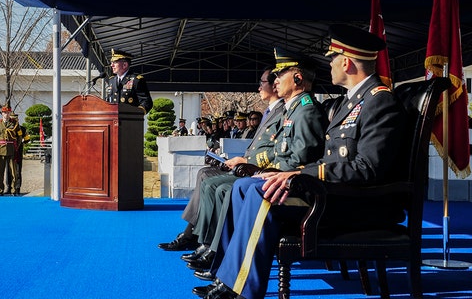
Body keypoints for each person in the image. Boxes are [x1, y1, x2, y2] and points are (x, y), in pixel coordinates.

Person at [202, 25, 408, 299]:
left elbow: (367, 168)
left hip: (358, 201)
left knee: (261, 196)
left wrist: (299, 175)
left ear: (346, 62)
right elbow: (330, 158)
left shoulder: (379, 102)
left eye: (332, 58)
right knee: (245, 187)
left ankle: (241, 290)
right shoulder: (351, 102)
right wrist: (293, 173)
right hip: (336, 191)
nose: (329, 65)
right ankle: (227, 277)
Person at [186, 48, 328, 276]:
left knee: (233, 188)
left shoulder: (306, 111)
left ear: (298, 78)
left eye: (281, 74)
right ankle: (221, 259)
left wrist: (265, 171)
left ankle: (224, 262)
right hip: (279, 177)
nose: (277, 80)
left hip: (295, 187)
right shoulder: (293, 110)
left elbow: (299, 160)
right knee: (231, 187)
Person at [159, 66, 285, 251]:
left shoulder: (282, 111)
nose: (258, 87)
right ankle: (192, 233)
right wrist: (241, 159)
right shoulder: (270, 112)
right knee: (204, 172)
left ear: (274, 86)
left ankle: (203, 239)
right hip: (248, 164)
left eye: (262, 83)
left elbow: (275, 150)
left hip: (259, 170)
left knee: (212, 183)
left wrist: (246, 162)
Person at [105, 49, 153, 114]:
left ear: (125, 65)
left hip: (130, 121)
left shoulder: (136, 80)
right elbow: (108, 100)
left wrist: (138, 114)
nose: (111, 65)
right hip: (113, 119)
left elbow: (146, 101)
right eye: (111, 62)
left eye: (115, 62)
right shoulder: (112, 80)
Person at [0, 105, 19, 196]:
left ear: (10, 113)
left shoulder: (15, 123)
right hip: (0, 149)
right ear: (2, 113)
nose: (6, 114)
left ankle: (13, 190)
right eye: (4, 112)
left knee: (13, 172)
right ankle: (0, 190)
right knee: (0, 171)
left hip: (11, 149)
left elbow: (19, 137)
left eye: (8, 113)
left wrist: (16, 147)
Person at [8, 112, 30, 195]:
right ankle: (9, 188)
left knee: (17, 171)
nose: (14, 121)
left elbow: (27, 139)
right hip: (9, 151)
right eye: (12, 119)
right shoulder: (7, 128)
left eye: (15, 119)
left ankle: (17, 188)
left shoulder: (22, 129)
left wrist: (21, 142)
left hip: (18, 152)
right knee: (9, 170)